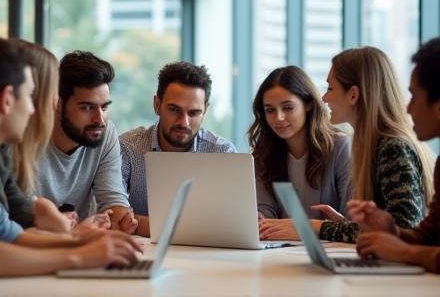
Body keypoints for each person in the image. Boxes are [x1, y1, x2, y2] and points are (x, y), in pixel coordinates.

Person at [0, 36, 140, 296]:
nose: (34, 109)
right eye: (30, 96)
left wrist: (80, 241)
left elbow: (6, 232)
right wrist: (79, 257)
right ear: (7, 99)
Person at [261, 47, 434, 242]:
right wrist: (343, 225)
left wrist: (317, 227)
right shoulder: (373, 146)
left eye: (330, 88)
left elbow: (403, 231)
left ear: (353, 95)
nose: (324, 98)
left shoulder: (392, 147)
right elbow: (390, 230)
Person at [350, 38, 440, 272]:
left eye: (414, 96)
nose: (408, 108)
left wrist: (405, 252)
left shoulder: (392, 145)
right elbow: (428, 237)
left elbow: (418, 248)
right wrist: (392, 231)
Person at [120, 61, 237, 236]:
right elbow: (115, 217)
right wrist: (198, 230)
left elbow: (233, 224)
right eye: (174, 110)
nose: (184, 122)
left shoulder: (222, 152)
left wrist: (140, 223)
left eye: (194, 113)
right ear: (157, 105)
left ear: (205, 111)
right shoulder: (128, 148)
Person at [35, 51, 137, 233]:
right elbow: (16, 215)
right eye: (87, 107)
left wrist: (122, 219)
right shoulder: (27, 136)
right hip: (32, 248)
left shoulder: (105, 132)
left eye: (105, 107)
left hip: (82, 243)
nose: (100, 119)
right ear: (58, 104)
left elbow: (112, 196)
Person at [251, 66, 351, 240]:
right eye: (270, 110)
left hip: (332, 250)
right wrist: (258, 217)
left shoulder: (341, 148)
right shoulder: (263, 153)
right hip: (279, 250)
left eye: (288, 108)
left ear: (308, 104)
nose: (278, 118)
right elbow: (265, 213)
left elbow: (351, 222)